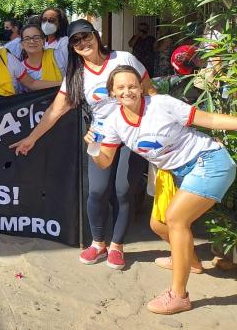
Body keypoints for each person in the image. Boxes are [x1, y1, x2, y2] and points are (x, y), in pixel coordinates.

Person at [91, 65, 237, 314]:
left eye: (132, 86)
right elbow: (104, 160)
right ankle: (188, 261)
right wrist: (94, 147)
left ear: (141, 87)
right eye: (121, 87)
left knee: (176, 219)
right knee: (159, 225)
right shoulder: (114, 121)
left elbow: (209, 119)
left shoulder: (162, 104)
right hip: (178, 172)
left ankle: (179, 295)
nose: (128, 91)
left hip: (209, 161)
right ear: (112, 93)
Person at [11, 19, 155, 270]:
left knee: (123, 190)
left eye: (86, 36)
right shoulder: (76, 75)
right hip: (100, 138)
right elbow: (56, 110)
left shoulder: (123, 59)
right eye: (76, 40)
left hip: (132, 135)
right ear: (72, 46)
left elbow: (149, 90)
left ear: (96, 36)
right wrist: (31, 138)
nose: (83, 43)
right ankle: (98, 243)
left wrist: (159, 127)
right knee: (97, 191)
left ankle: (117, 246)